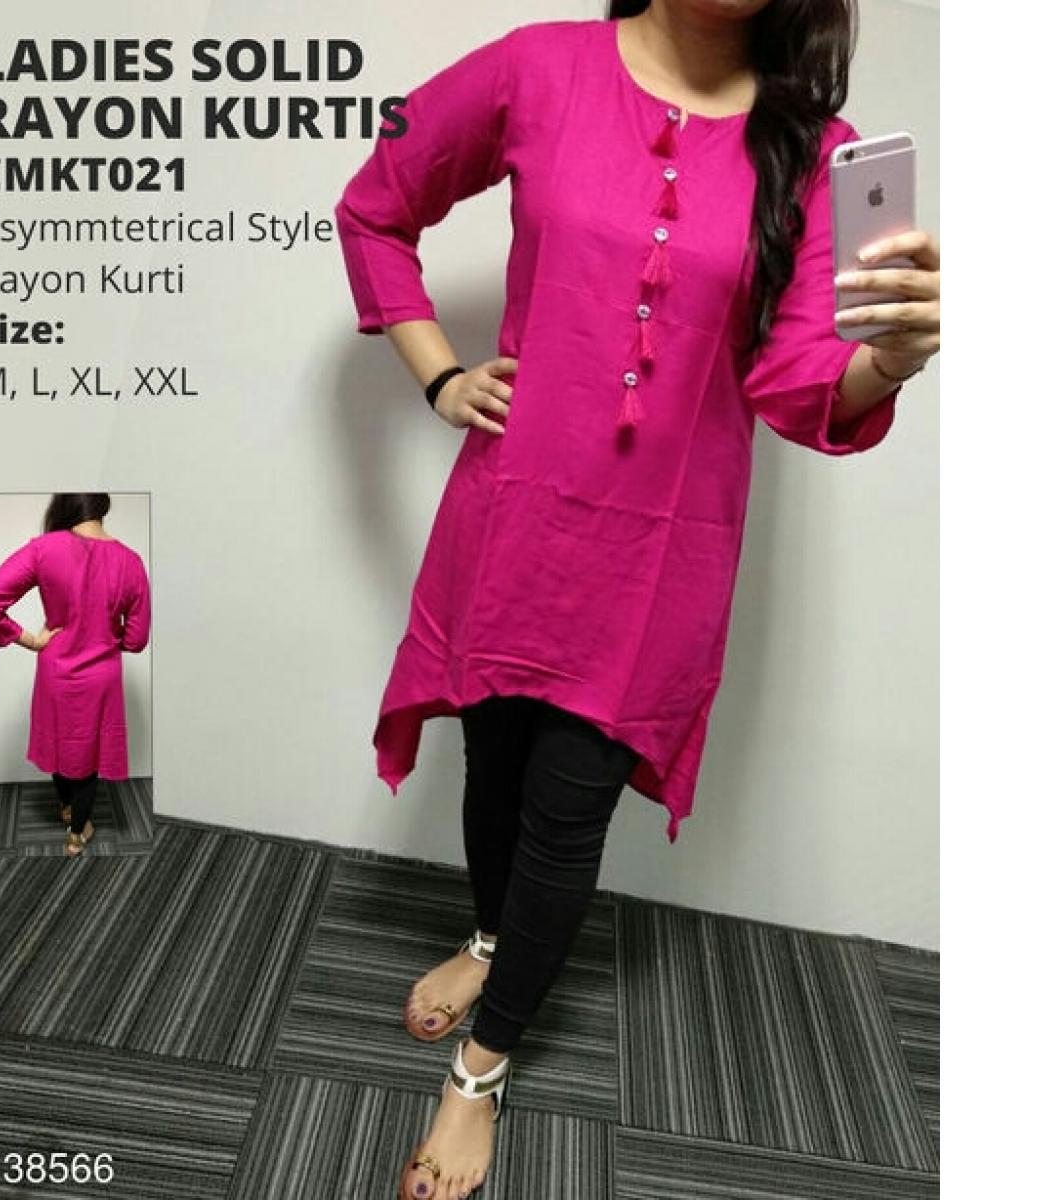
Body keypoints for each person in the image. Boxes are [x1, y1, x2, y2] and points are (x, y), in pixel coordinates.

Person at [333, 2, 940, 1197]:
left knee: (568, 809)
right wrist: (440, 375)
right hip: (515, 511)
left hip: (665, 548)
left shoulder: (812, 149)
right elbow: (375, 204)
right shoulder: (535, 68)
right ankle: (491, 937)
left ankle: (481, 1070)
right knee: (494, 764)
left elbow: (795, 380)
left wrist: (888, 360)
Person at [0, 494, 152, 856]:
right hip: (101, 677)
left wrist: (32, 640)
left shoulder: (43, 548)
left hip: (56, 672)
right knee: (89, 755)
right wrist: (106, 632)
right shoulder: (130, 562)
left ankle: (68, 808)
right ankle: (76, 834)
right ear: (103, 506)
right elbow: (135, 641)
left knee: (61, 743)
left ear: (66, 505)